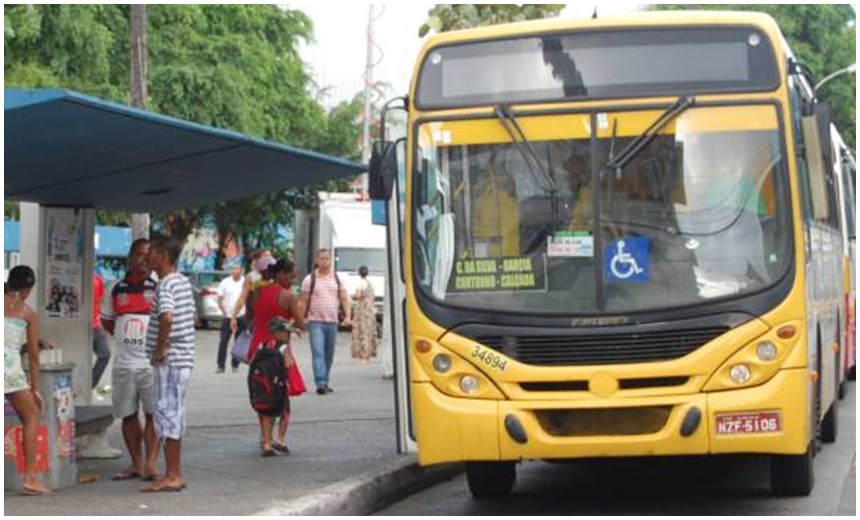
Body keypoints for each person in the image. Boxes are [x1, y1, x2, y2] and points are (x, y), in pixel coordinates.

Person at [101, 238, 159, 482]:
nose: (144, 260)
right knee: (128, 414)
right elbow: (107, 321)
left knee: (154, 414)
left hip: (151, 365)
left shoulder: (159, 287)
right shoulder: (115, 287)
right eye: (139, 255)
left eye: (149, 255)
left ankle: (151, 463)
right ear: (130, 258)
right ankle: (135, 463)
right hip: (124, 363)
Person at [141, 237, 196, 493]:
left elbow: (168, 317)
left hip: (171, 359)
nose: (147, 258)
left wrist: (160, 348)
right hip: (183, 358)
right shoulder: (183, 282)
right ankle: (173, 472)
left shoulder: (165, 285)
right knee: (174, 414)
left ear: (162, 256)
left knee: (167, 415)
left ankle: (173, 474)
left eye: (151, 253)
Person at [247, 258, 305, 455]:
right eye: (291, 275)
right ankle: (276, 438)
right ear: (280, 274)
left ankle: (265, 439)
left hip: (257, 348)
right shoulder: (287, 296)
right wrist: (289, 325)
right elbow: (300, 324)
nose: (293, 279)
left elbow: (250, 316)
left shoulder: (257, 292)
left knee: (262, 389)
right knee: (280, 393)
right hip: (279, 350)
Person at [4, 265, 50, 495]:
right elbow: (33, 355)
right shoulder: (28, 312)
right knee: (31, 416)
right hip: (9, 371)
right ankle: (31, 477)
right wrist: (35, 388)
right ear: (28, 289)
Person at [298, 249, 352, 395]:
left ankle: (325, 380)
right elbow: (303, 302)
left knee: (329, 354)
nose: (324, 262)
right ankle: (320, 382)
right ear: (316, 260)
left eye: (327, 259)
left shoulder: (337, 279)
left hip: (332, 322)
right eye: (322, 259)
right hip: (315, 322)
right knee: (318, 352)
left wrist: (348, 316)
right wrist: (299, 321)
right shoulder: (310, 279)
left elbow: (344, 298)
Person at [254, 316, 300, 457]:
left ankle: (267, 443)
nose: (289, 336)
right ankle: (280, 439)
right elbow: (288, 364)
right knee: (284, 413)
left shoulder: (262, 345)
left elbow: (253, 361)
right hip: (279, 386)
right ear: (278, 332)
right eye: (287, 333)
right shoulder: (284, 347)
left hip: (264, 386)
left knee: (266, 414)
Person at [230, 249, 275, 334]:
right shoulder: (251, 277)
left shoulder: (275, 276)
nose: (269, 259)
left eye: (270, 256)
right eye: (266, 256)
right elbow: (242, 298)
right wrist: (234, 317)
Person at [215, 265, 245, 373]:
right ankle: (220, 365)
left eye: (238, 271)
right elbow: (219, 299)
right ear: (232, 272)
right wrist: (224, 312)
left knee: (239, 342)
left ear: (241, 272)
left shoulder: (245, 282)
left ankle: (235, 365)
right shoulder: (225, 282)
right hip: (227, 317)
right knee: (223, 341)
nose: (236, 272)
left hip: (241, 316)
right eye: (234, 270)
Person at [350, 265, 378, 363]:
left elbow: (358, 295)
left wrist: (351, 297)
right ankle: (369, 354)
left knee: (361, 331)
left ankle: (363, 355)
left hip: (362, 309)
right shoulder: (370, 283)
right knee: (369, 331)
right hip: (370, 309)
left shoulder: (360, 283)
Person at [92, 271, 111, 389]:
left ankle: (91, 383)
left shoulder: (97, 280)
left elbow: (100, 300)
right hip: (82, 326)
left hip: (95, 324)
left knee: (105, 354)